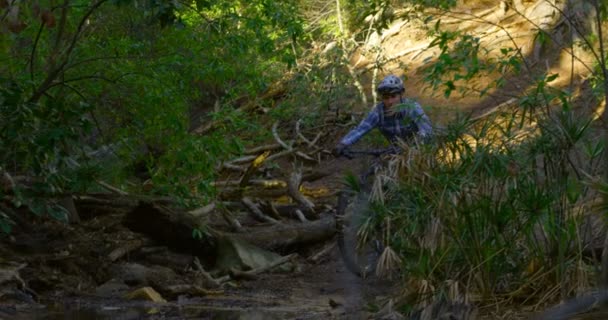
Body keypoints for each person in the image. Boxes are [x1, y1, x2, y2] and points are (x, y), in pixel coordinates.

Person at [333, 74, 432, 157]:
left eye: (393, 96)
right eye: (385, 98)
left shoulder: (412, 108)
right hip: (394, 153)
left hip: (419, 152)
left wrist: (415, 149)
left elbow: (427, 131)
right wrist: (343, 144)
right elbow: (361, 128)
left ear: (401, 94)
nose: (390, 102)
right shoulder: (378, 112)